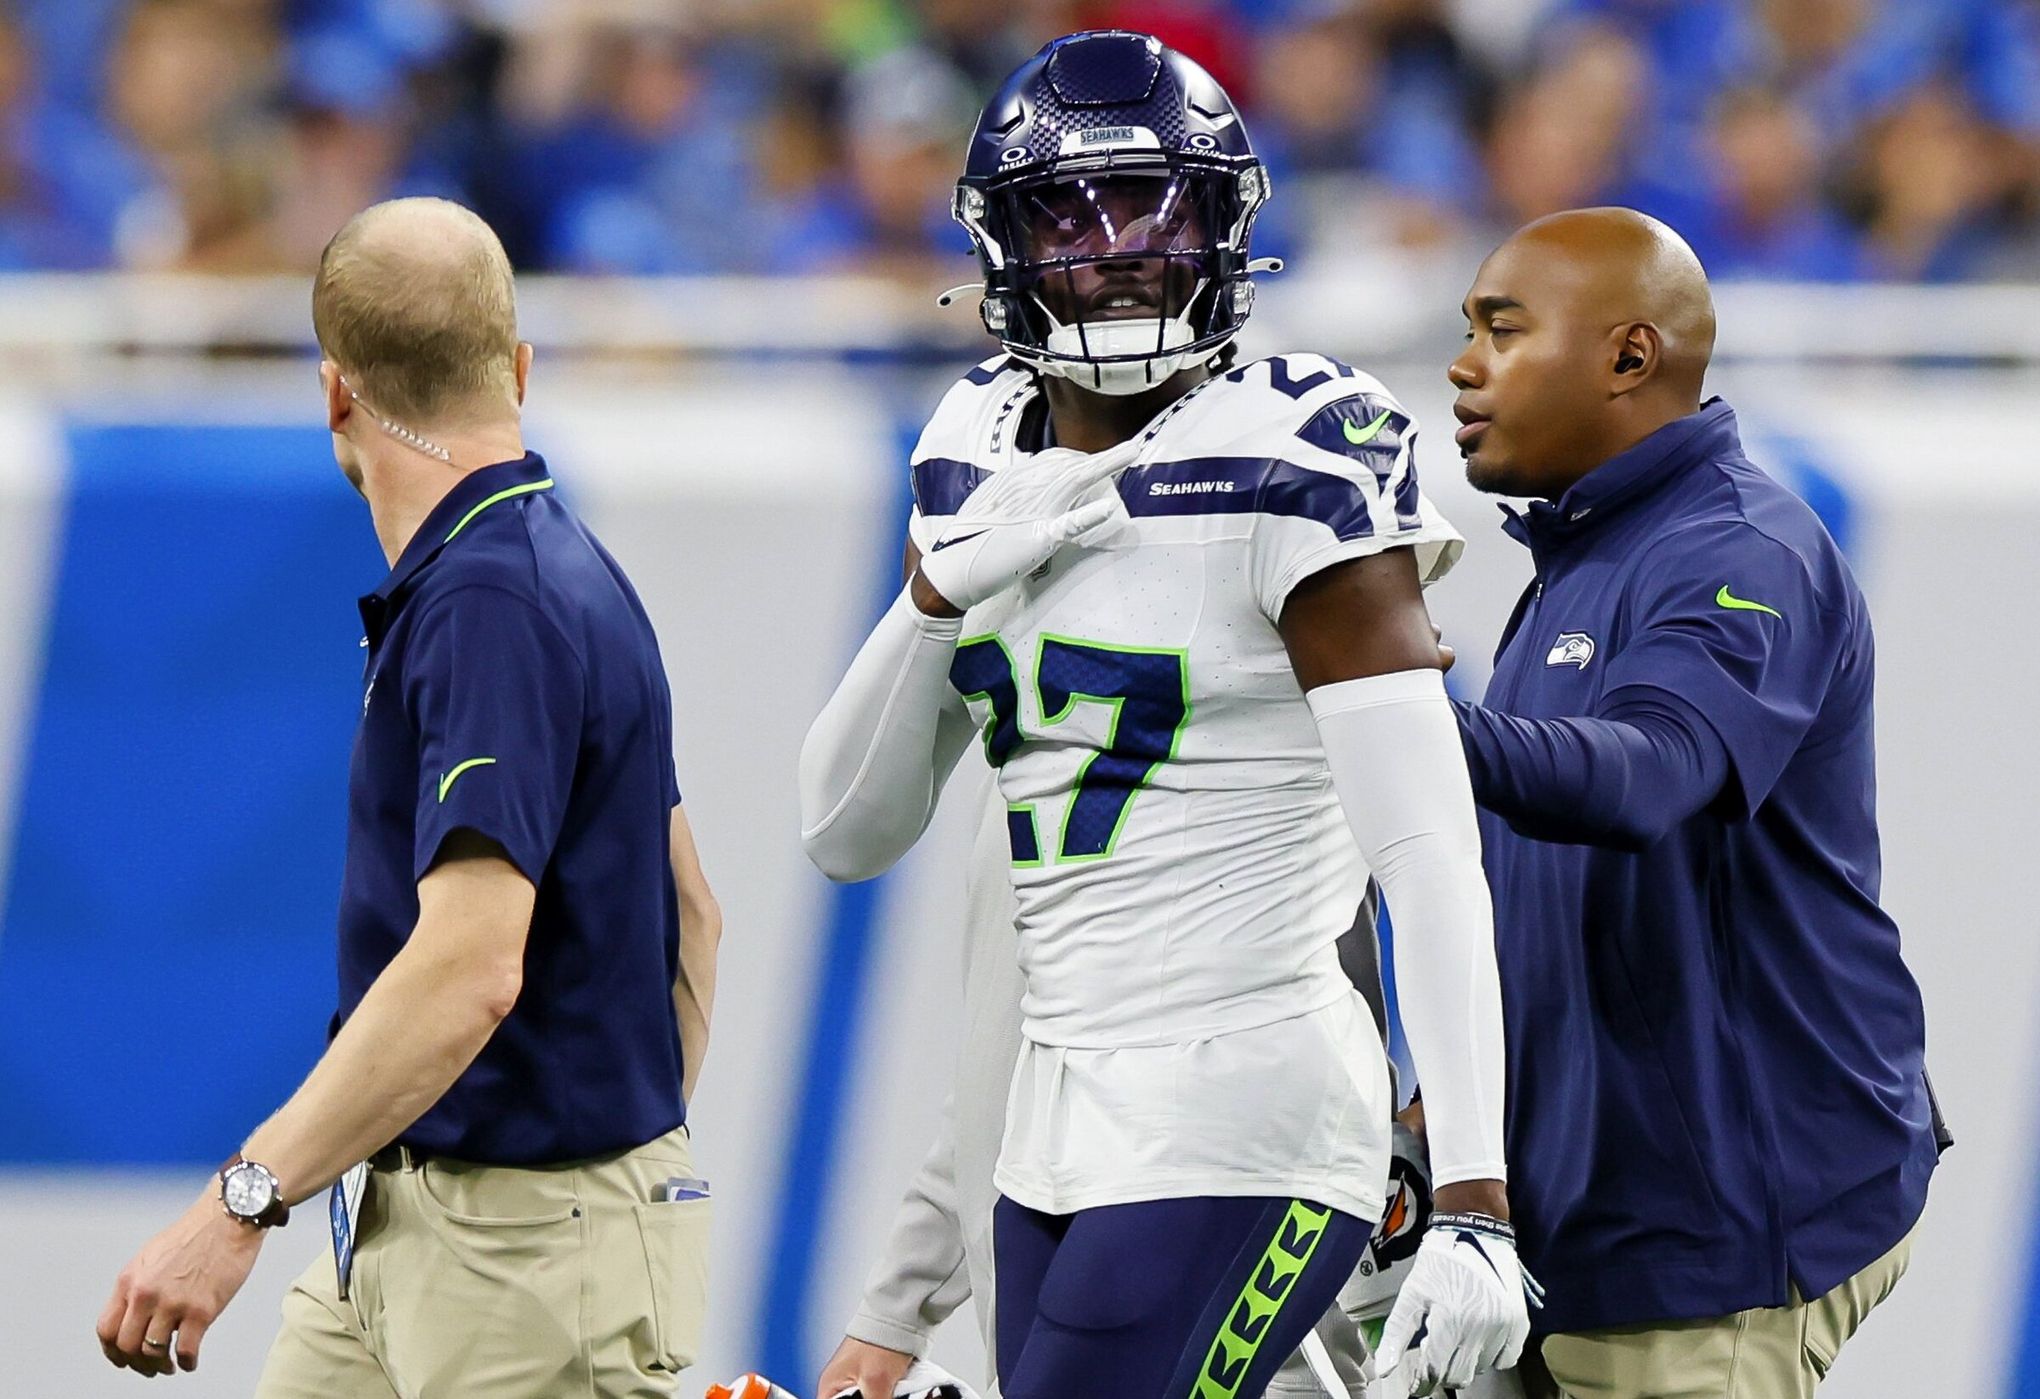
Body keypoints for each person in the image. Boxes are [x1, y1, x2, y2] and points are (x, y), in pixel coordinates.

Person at [800, 31, 1530, 1399]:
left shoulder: (1293, 451)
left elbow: (1429, 857)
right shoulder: (972, 448)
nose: (1119, 247)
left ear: (1227, 229)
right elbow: (844, 827)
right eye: (1067, 213)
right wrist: (931, 601)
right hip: (1052, 1120)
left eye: (1157, 208)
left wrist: (1475, 1192)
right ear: (1000, 245)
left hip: (1251, 1092)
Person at [93, 196, 722, 1397]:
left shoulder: (492, 607)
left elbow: (471, 965)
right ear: (519, 369)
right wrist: (628, 1172)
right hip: (409, 1231)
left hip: (519, 1264)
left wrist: (240, 1203)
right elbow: (695, 913)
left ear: (336, 392)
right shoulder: (565, 574)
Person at [1443, 206, 1941, 1397]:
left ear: (1629, 356)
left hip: (1712, 1239)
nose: (1463, 365)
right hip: (1590, 1224)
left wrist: (1394, 712)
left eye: (1502, 331)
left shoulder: (1743, 549)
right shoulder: (1583, 554)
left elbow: (1645, 775)